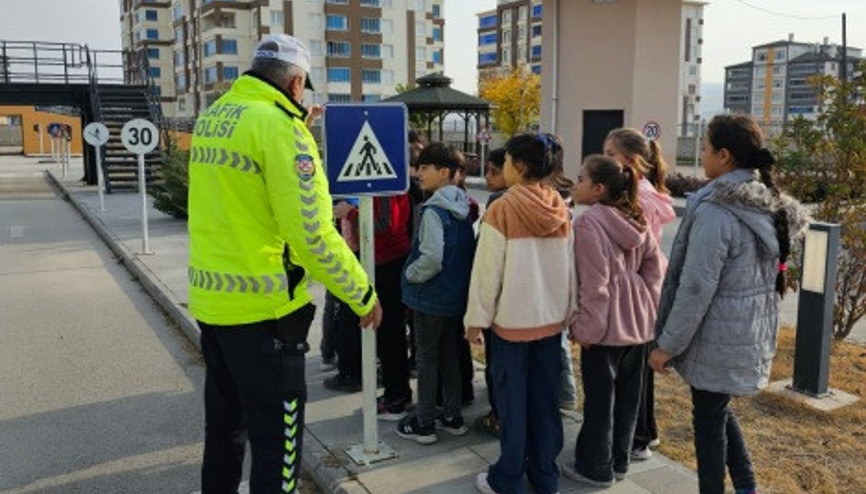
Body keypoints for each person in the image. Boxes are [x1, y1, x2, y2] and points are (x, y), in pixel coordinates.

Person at [187, 34, 383, 493]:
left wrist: (299, 127)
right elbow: (312, 234)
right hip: (266, 313)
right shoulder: (280, 128)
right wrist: (362, 293)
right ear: (297, 83)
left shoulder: (214, 117)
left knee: (224, 430)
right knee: (277, 442)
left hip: (214, 306)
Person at [648, 114, 809, 494]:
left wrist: (667, 346)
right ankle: (747, 486)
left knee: (708, 424)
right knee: (717, 409)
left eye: (704, 149)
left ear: (723, 155)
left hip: (717, 336)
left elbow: (695, 288)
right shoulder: (764, 203)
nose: (701, 155)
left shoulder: (718, 211)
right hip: (742, 332)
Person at [466, 133, 577, 494]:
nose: (506, 167)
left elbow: (487, 273)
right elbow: (570, 267)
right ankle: (546, 476)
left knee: (512, 405)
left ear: (521, 166)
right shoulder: (560, 206)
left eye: (509, 161)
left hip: (512, 326)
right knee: (545, 404)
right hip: (550, 324)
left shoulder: (502, 208)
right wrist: (570, 313)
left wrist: (475, 321)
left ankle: (508, 478)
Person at [562, 155, 664, 487]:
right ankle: (620, 461)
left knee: (600, 403)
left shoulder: (589, 222)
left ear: (598, 188)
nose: (575, 184)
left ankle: (595, 468)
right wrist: (647, 301)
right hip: (639, 325)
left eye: (581, 179)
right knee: (628, 399)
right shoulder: (636, 216)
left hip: (605, 328)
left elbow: (595, 284)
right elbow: (654, 266)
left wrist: (585, 329)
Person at [396, 143, 476, 445]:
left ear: (444, 173)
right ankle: (452, 417)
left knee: (427, 360)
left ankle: (425, 422)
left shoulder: (433, 211)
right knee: (450, 357)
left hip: (429, 299)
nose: (418, 174)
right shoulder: (462, 206)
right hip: (454, 298)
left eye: (425, 168)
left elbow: (431, 258)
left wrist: (408, 275)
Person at [604, 128, 676, 459]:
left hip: (636, 290)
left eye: (609, 156)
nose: (604, 162)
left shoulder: (639, 199)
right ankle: (643, 432)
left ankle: (638, 437)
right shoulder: (646, 193)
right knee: (638, 367)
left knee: (635, 371)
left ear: (630, 161)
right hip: (645, 289)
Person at [474, 147, 507, 437]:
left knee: (497, 364)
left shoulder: (499, 202)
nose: (487, 177)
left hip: (500, 303)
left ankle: (498, 415)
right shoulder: (551, 199)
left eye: (494, 171)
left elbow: (486, 259)